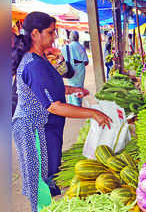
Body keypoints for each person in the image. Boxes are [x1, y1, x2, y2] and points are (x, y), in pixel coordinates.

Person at [11, 12, 112, 212]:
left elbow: (43, 89)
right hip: (34, 132)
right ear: (35, 34)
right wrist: (93, 113)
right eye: (51, 32)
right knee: (39, 185)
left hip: (46, 128)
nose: (55, 36)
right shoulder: (33, 64)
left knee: (48, 175)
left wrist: (71, 89)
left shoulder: (41, 58)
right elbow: (54, 106)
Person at [61, 31, 89, 107]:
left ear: (70, 37)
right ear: (78, 37)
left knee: (71, 85)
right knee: (79, 86)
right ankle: (77, 104)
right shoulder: (81, 46)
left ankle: (72, 105)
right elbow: (86, 62)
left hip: (69, 68)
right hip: (80, 69)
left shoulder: (65, 47)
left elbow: (61, 59)